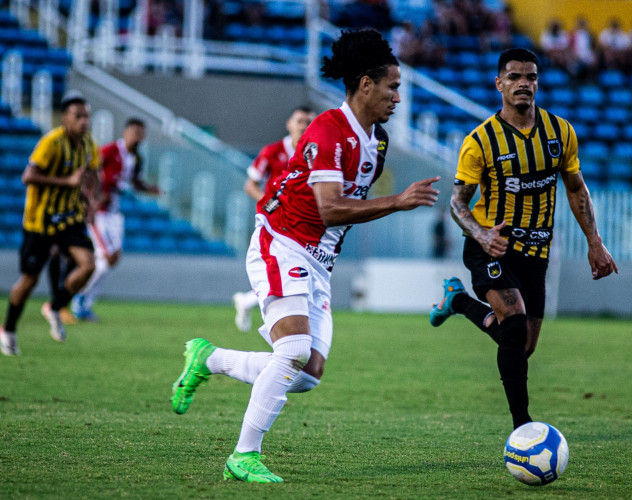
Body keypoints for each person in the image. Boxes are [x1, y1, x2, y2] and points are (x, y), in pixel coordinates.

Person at [170, 28, 440, 483]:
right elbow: (330, 208)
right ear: (366, 84)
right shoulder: (327, 130)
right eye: (393, 87)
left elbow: (343, 211)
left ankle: (209, 358)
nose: (398, 97)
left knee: (308, 371)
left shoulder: (377, 140)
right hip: (282, 242)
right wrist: (396, 201)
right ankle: (243, 455)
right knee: (292, 349)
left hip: (318, 259)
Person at [429, 48, 617, 430]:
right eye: (514, 77)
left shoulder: (560, 132)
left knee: (523, 346)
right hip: (491, 246)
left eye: (530, 77)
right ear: (499, 84)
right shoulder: (479, 141)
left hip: (537, 251)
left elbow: (576, 188)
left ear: (537, 83)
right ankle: (523, 427)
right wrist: (481, 234)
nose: (523, 84)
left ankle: (459, 301)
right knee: (513, 326)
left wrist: (594, 241)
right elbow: (457, 204)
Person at [0, 91, 99, 356]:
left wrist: (91, 199)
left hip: (69, 218)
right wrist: (66, 183)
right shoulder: (52, 143)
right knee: (29, 280)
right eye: (78, 116)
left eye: (86, 116)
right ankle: (8, 329)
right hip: (40, 222)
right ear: (65, 118)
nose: (84, 121)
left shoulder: (89, 144)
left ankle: (54, 307)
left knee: (88, 264)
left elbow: (92, 174)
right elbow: (28, 176)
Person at [232, 106, 316, 332]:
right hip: (274, 223)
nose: (304, 126)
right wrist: (270, 204)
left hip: (302, 224)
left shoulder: (314, 154)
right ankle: (282, 327)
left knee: (297, 273)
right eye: (299, 121)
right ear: (289, 124)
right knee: (282, 271)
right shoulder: (272, 151)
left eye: (308, 122)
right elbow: (250, 184)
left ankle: (248, 301)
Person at [70, 118, 159, 321]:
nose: (138, 136)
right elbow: (90, 171)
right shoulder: (110, 150)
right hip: (99, 212)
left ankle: (85, 301)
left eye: (141, 132)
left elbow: (135, 182)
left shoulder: (136, 158)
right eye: (135, 131)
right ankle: (80, 298)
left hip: (114, 213)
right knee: (106, 257)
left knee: (113, 259)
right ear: (126, 132)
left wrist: (150, 189)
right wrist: (93, 195)